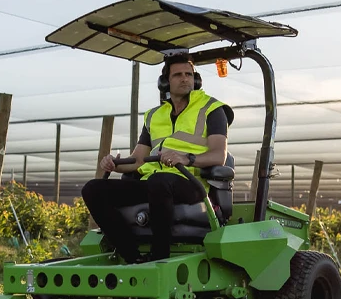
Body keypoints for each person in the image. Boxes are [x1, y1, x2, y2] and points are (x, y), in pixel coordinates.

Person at [81, 54, 230, 263]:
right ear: (165, 82)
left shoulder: (212, 109)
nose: (185, 79)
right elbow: (138, 160)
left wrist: (186, 158)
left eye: (189, 74)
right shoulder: (153, 116)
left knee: (159, 182)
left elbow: (218, 156)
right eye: (178, 75)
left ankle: (159, 256)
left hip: (191, 183)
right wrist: (114, 164)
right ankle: (132, 257)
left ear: (196, 80)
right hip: (155, 183)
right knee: (93, 189)